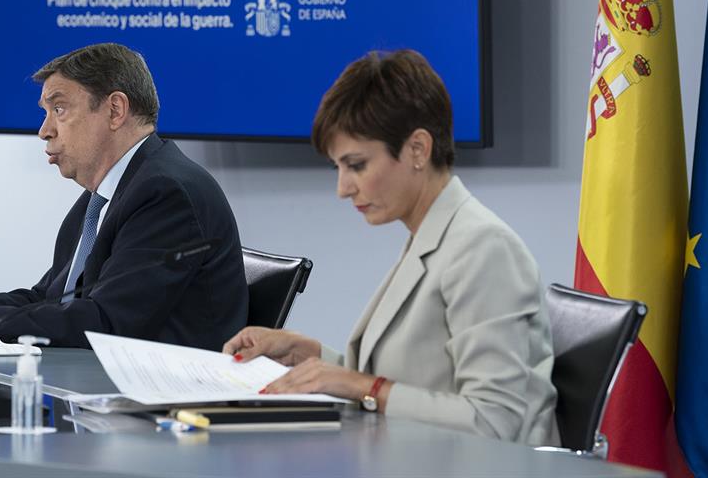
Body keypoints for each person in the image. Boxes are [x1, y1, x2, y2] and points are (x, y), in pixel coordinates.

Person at [224, 50, 558, 445]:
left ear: (417, 149)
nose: (343, 188)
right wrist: (309, 356)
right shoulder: (435, 234)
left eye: (357, 165)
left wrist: (363, 386)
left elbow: (493, 421)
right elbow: (414, 379)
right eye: (339, 168)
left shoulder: (485, 249)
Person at [0, 43, 248, 350]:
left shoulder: (165, 193)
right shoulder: (106, 196)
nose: (44, 131)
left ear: (115, 111)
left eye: (59, 109)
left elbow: (106, 324)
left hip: (169, 419)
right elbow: (50, 299)